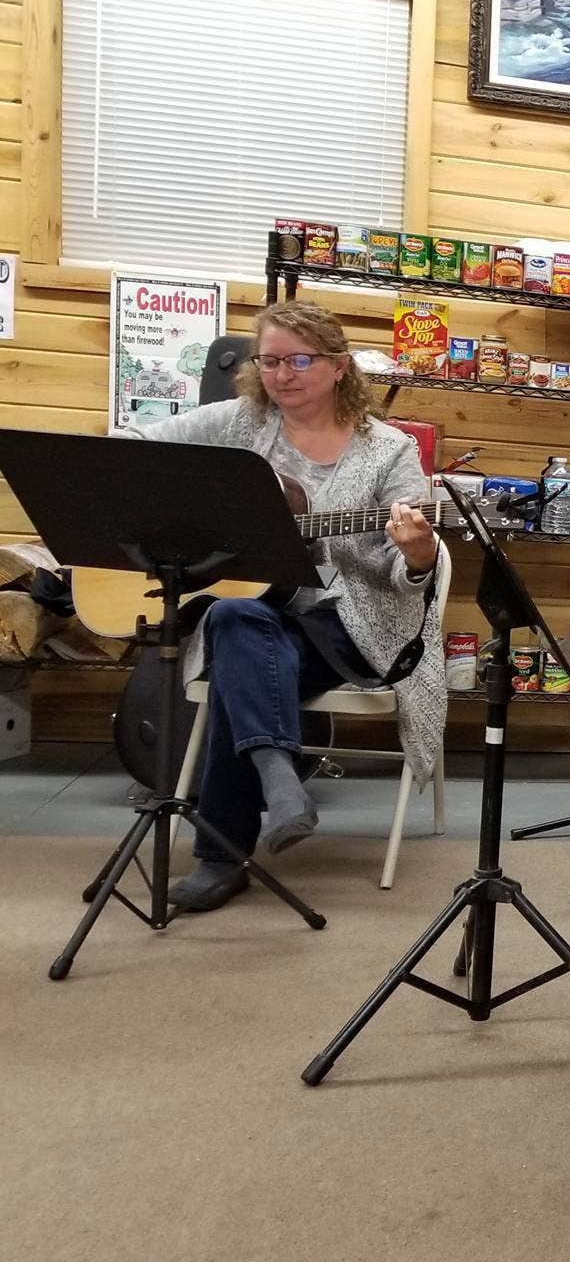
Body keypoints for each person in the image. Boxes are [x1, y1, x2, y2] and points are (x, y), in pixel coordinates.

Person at [118, 300, 445, 912]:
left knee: (237, 646)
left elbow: (411, 576)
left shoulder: (391, 450)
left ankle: (221, 853)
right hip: (265, 616)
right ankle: (279, 777)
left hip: (354, 625)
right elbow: (136, 446)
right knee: (235, 617)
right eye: (269, 361)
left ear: (340, 367)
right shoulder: (242, 422)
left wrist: (420, 551)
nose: (281, 374)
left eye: (299, 360)